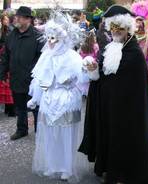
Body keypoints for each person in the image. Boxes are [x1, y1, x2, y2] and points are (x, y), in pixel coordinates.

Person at [78, 5, 148, 184]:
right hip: (109, 106)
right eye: (112, 28)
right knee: (110, 138)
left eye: (119, 28)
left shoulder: (134, 53)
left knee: (123, 140)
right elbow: (103, 74)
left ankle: (123, 174)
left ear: (128, 29)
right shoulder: (110, 47)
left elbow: (132, 86)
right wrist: (93, 69)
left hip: (127, 111)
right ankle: (108, 168)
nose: (115, 32)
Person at [29, 11, 89, 182]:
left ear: (62, 39)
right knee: (49, 134)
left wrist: (87, 68)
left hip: (67, 99)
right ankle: (51, 165)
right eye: (48, 38)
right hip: (49, 100)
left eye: (53, 38)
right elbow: (41, 79)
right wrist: (35, 98)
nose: (50, 41)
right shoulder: (45, 57)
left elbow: (83, 79)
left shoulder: (73, 57)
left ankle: (66, 167)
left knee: (66, 135)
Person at [0, 6, 44, 140]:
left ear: (28, 19)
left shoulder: (38, 36)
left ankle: (39, 132)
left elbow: (42, 59)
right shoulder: (11, 35)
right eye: (16, 16)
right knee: (20, 107)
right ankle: (22, 129)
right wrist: (2, 73)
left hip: (33, 80)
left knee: (36, 107)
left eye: (19, 17)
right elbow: (6, 56)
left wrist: (34, 74)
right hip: (16, 77)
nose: (16, 18)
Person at [132, 0, 148, 111]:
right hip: (132, 73)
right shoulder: (129, 40)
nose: (138, 25)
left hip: (147, 74)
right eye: (136, 21)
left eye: (141, 22)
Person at [0, 14, 15, 117]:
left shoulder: (10, 30)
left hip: (7, 57)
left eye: (6, 19)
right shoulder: (2, 31)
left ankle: (10, 109)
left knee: (8, 84)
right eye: (3, 19)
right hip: (3, 57)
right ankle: (8, 108)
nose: (5, 21)